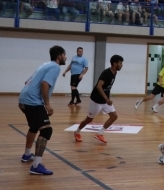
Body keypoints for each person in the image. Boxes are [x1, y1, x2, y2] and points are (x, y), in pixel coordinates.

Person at [18, 45, 66, 175]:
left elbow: (27, 81)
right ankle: (36, 166)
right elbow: (44, 84)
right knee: (46, 130)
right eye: (64, 55)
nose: (66, 57)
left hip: (23, 98)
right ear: (59, 56)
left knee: (34, 127)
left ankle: (27, 154)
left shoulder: (44, 65)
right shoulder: (55, 67)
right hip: (33, 101)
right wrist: (47, 104)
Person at [74, 55, 123, 144]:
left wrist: (107, 99)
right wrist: (106, 98)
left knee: (114, 116)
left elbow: (107, 87)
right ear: (115, 63)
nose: (122, 65)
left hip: (105, 100)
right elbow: (99, 86)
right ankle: (77, 132)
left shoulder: (114, 72)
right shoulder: (106, 73)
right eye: (120, 63)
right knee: (89, 119)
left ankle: (100, 133)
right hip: (96, 100)